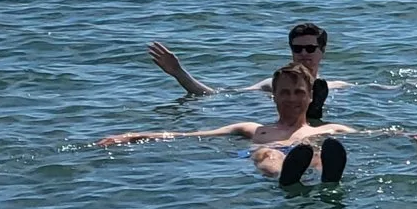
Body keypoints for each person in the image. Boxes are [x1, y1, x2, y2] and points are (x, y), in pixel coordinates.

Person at [101, 61, 351, 184]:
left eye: (298, 92)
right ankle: (285, 178)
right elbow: (189, 135)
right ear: (274, 96)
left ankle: (327, 178)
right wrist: (133, 135)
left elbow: (384, 134)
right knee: (267, 152)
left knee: (317, 153)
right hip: (272, 159)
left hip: (307, 153)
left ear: (309, 96)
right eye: (285, 92)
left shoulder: (330, 129)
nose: (291, 99)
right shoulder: (253, 129)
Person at [149, 22, 338, 122]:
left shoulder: (336, 87)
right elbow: (215, 96)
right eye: (298, 49)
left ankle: (312, 111)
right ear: (291, 51)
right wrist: (179, 72)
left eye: (310, 49)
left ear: (323, 50)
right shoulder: (272, 85)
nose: (304, 53)